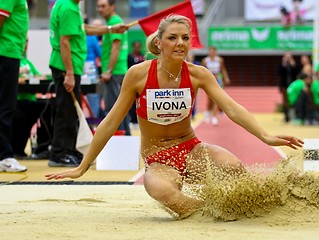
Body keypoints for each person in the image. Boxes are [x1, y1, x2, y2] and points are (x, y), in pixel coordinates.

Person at [46, 14, 303, 218]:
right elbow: (111, 121)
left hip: (191, 149)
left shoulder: (198, 74)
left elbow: (232, 107)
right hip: (158, 158)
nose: (180, 43)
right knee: (159, 189)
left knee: (234, 167)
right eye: (172, 38)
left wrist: (266, 136)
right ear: (159, 42)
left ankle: (268, 200)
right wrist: (83, 166)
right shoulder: (138, 74)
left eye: (185, 38)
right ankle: (212, 211)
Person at [48, 0, 128, 167]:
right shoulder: (68, 7)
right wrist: (69, 73)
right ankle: (59, 153)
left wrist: (111, 29)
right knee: (66, 111)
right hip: (66, 67)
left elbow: (83, 29)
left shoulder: (70, 7)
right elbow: (64, 41)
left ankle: (68, 150)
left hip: (71, 66)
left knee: (71, 111)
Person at [0, 0, 29, 172]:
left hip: (10, 51)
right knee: (6, 106)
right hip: (6, 52)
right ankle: (5, 156)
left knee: (6, 106)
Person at [13, 37, 52, 159]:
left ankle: (43, 147)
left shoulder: (27, 62)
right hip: (17, 101)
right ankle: (17, 150)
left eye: (26, 42)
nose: (25, 45)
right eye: (23, 41)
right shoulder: (11, 61)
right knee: (21, 116)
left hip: (31, 100)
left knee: (48, 107)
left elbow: (38, 76)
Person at [97, 0, 130, 135]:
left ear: (112, 7)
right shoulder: (112, 22)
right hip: (117, 71)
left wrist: (108, 71)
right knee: (118, 110)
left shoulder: (114, 22)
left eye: (103, 6)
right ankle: (125, 140)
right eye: (98, 6)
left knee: (114, 111)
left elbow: (115, 48)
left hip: (115, 72)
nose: (100, 9)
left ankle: (122, 141)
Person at [201, 46, 230, 126]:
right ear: (209, 52)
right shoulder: (205, 61)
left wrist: (226, 77)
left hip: (217, 80)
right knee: (209, 99)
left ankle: (214, 117)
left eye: (213, 51)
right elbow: (201, 71)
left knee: (217, 99)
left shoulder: (220, 60)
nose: (212, 53)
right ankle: (207, 111)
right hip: (209, 80)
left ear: (215, 52)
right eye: (210, 51)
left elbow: (223, 69)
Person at [127, 40, 145, 130]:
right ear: (133, 47)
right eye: (136, 46)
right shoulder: (129, 56)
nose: (137, 48)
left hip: (141, 82)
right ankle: (132, 120)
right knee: (131, 102)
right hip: (131, 82)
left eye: (139, 46)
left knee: (140, 102)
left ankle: (138, 121)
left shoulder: (143, 57)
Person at [277, 51, 298, 122]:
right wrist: (284, 63)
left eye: (289, 57)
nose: (288, 58)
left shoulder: (294, 65)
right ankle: (286, 117)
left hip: (293, 86)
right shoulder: (282, 65)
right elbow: (279, 73)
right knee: (285, 102)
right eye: (287, 57)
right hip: (284, 86)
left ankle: (293, 116)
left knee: (293, 101)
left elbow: (297, 73)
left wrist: (293, 64)